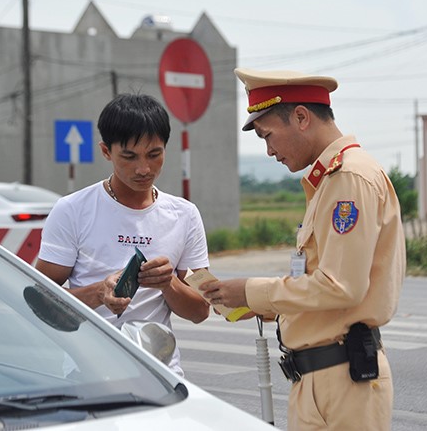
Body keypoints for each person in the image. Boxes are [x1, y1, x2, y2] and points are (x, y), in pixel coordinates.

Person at [201, 68, 406, 430]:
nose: (268, 151)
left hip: (344, 380)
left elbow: (341, 286)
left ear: (300, 117)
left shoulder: (348, 178)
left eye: (268, 136)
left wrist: (250, 290)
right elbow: (323, 287)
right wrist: (264, 307)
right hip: (319, 377)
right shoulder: (329, 181)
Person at [36, 93, 210, 376]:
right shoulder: (73, 209)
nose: (144, 169)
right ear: (106, 151)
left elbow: (200, 311)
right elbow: (39, 302)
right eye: (129, 156)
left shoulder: (184, 215)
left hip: (161, 374)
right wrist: (98, 293)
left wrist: (169, 285)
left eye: (154, 155)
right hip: (87, 373)